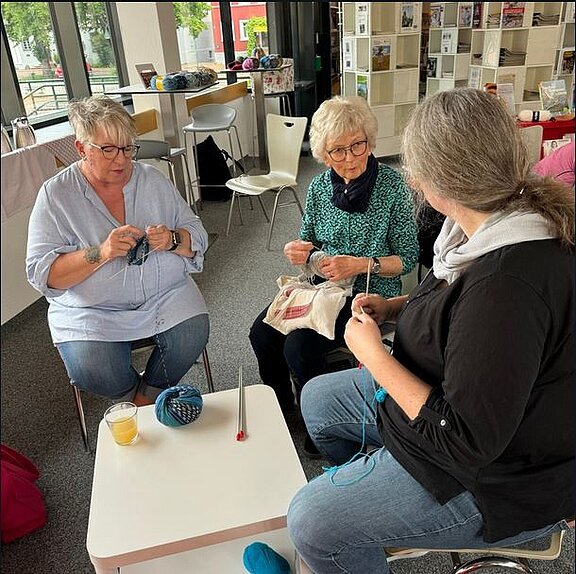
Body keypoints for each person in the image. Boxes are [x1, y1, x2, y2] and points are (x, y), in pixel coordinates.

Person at [287, 88, 574, 573]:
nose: (412, 178)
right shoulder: (484, 226)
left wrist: (374, 355)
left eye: (416, 168)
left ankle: (346, 533)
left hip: (497, 476)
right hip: (442, 396)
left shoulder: (507, 286)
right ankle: (365, 509)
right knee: (316, 399)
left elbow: (466, 438)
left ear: (443, 181)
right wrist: (395, 307)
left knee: (310, 523)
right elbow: (459, 314)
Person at [249, 95, 419, 453]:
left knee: (299, 346)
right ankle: (281, 411)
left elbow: (407, 258)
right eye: (337, 151)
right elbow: (308, 242)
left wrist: (358, 264)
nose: (350, 158)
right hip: (321, 288)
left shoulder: (393, 187)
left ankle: (322, 423)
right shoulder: (318, 188)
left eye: (357, 145)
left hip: (369, 292)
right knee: (261, 333)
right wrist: (297, 250)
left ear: (370, 142)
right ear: (324, 155)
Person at [26, 96, 210, 406]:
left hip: (164, 297)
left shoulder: (152, 180)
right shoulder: (56, 194)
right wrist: (101, 252)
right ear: (81, 148)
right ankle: (138, 400)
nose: (122, 160)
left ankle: (142, 403)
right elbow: (44, 274)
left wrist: (172, 240)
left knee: (193, 332)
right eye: (108, 150)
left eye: (127, 148)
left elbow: (197, 234)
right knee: (91, 367)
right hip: (91, 311)